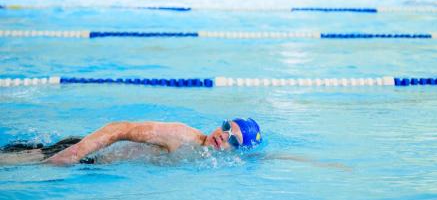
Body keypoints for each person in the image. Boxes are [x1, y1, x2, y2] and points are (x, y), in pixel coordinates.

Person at [0, 118, 262, 166]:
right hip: (79, 154)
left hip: (90, 162)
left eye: (234, 140)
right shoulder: (182, 136)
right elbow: (120, 128)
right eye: (227, 127)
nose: (223, 135)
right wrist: (73, 154)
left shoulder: (205, 156)